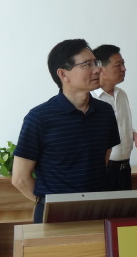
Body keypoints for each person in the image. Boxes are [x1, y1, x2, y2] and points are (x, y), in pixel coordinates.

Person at [11, 39, 120, 223]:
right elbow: (20, 178)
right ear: (63, 74)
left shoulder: (105, 112)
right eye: (87, 64)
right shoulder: (39, 118)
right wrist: (49, 204)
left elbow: (103, 160)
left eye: (96, 63)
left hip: (96, 212)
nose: (97, 70)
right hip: (55, 216)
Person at [91, 45, 137, 191]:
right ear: (101, 69)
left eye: (123, 64)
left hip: (124, 168)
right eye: (118, 65)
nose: (124, 69)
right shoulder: (90, 99)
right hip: (103, 169)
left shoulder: (122, 94)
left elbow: (122, 125)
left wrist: (134, 135)